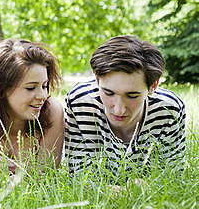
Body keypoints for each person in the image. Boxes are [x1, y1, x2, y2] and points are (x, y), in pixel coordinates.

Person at [64, 35, 186, 175]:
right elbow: (78, 175)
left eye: (132, 96)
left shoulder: (169, 109)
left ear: (153, 86)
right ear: (97, 80)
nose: (119, 109)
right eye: (108, 93)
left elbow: (172, 175)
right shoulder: (79, 102)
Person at [0, 39, 64, 177]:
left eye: (44, 86)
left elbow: (45, 182)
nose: (42, 96)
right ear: (1, 88)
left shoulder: (52, 112)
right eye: (31, 88)